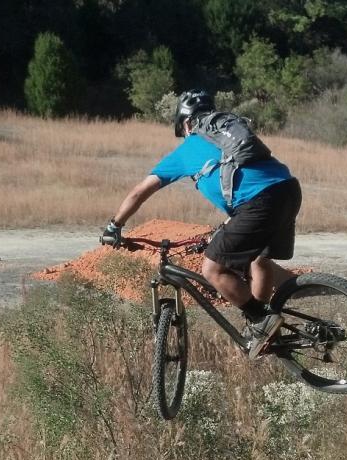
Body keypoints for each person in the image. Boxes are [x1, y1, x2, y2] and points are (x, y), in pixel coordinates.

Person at [103, 90, 302, 359]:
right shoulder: (230, 136)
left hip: (260, 202)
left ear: (186, 124)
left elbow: (141, 191)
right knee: (259, 260)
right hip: (288, 190)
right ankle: (266, 331)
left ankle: (261, 321)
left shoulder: (188, 148)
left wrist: (114, 226)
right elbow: (250, 177)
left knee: (212, 269)